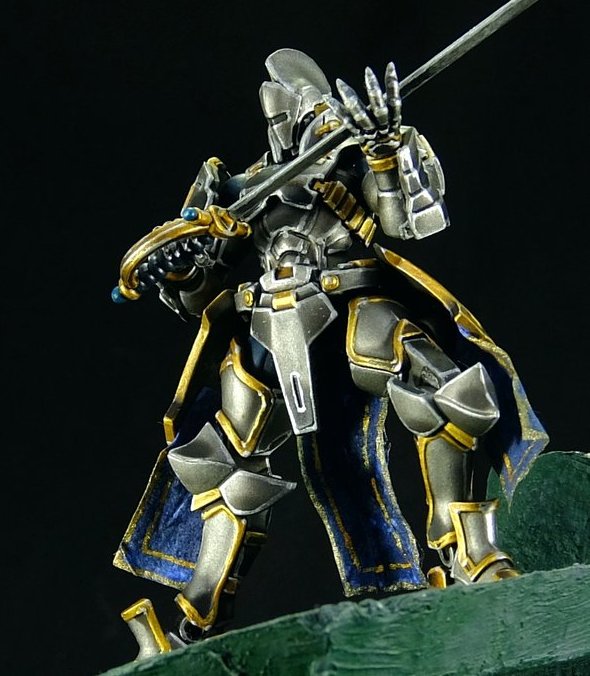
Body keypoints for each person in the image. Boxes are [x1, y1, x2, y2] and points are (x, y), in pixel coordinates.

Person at [112, 48, 548, 656]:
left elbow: (414, 221)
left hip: (351, 306)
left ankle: (472, 556)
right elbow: (197, 295)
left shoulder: (351, 159)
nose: (293, 118)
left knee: (447, 392)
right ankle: (195, 624)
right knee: (221, 464)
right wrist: (183, 266)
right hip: (266, 325)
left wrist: (385, 151)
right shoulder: (237, 189)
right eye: (285, 113)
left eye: (305, 108)